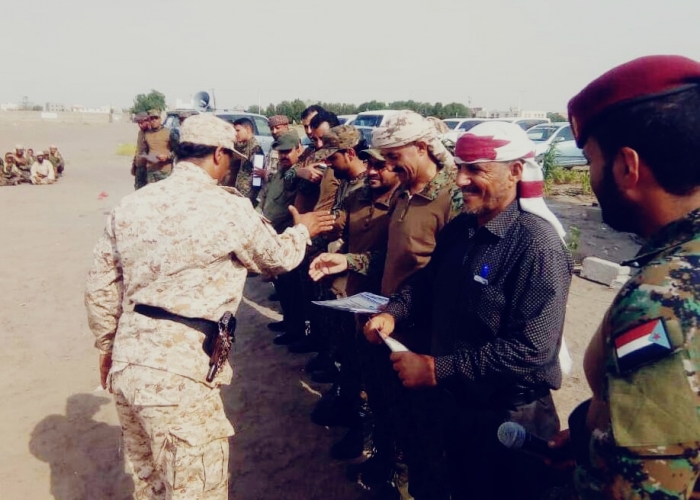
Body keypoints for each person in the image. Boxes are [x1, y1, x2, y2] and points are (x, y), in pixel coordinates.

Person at [85, 114, 335, 500]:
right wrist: (304, 230)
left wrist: (107, 347)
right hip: (180, 372)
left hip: (129, 360)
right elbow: (276, 258)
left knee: (150, 485)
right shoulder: (227, 208)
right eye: (230, 158)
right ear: (219, 154)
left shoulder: (132, 204)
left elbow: (101, 286)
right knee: (197, 488)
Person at [364, 121, 572, 499]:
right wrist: (394, 311)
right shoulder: (462, 228)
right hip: (456, 406)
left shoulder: (536, 245)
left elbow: (531, 349)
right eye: (460, 167)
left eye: (475, 169)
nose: (461, 180)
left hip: (508, 418)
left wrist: (436, 369)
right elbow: (427, 284)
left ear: (515, 171)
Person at [548, 54, 700, 499]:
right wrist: (593, 436)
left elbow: (649, 489)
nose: (592, 177)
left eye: (591, 160)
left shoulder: (663, 298)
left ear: (626, 167)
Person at [309, 148, 401, 462]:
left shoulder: (402, 204)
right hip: (356, 300)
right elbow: (344, 234)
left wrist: (348, 261)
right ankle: (356, 422)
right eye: (370, 164)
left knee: (380, 379)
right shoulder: (358, 196)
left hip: (389, 307)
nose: (372, 170)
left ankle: (372, 442)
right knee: (354, 362)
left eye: (380, 165)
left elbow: (395, 259)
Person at [229, 117, 264, 206]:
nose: (236, 134)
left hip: (248, 196)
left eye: (238, 130)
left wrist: (251, 200)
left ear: (248, 129)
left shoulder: (256, 149)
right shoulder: (245, 146)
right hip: (241, 194)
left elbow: (257, 179)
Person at [142, 109, 173, 184]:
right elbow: (144, 151)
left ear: (160, 119)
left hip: (165, 171)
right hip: (151, 171)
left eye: (156, 118)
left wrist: (167, 156)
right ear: (149, 120)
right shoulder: (146, 134)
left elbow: (177, 151)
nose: (154, 120)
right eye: (151, 118)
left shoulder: (169, 133)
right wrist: (148, 157)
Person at [132, 113, 150, 190]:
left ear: (148, 121)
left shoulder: (152, 133)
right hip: (139, 166)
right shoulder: (140, 132)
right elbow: (138, 149)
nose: (140, 125)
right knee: (138, 188)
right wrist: (134, 164)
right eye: (138, 123)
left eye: (142, 123)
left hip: (148, 168)